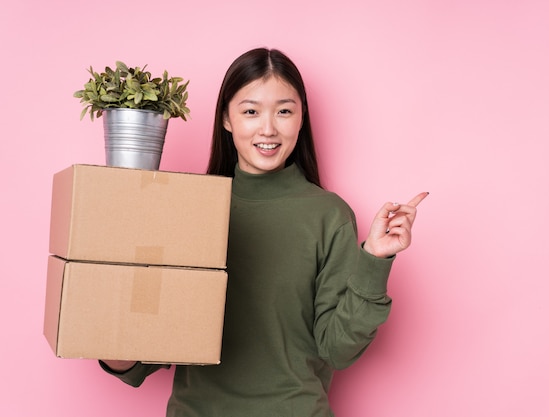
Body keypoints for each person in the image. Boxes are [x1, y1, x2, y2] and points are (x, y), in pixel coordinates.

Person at [100, 47, 428, 417]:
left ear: (302, 117)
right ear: (226, 118)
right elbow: (135, 358)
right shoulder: (187, 208)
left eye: (284, 111)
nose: (268, 128)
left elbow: (337, 349)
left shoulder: (328, 215)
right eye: (251, 111)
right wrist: (105, 320)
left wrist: (374, 260)